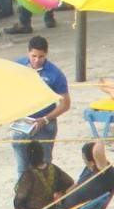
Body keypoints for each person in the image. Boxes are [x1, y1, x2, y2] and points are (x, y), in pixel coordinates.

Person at [11, 36, 70, 174]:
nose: (37, 60)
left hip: (45, 124)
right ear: (28, 53)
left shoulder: (55, 74)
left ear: (46, 54)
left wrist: (45, 119)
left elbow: (65, 104)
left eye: (41, 57)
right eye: (34, 56)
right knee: (22, 168)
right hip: (22, 122)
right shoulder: (17, 66)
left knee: (43, 167)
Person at [53, 141, 114, 209]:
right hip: (65, 204)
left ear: (93, 161)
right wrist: (63, 195)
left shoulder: (103, 171)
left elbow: (98, 151)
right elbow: (77, 184)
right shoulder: (89, 168)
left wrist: (100, 140)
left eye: (84, 158)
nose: (83, 160)